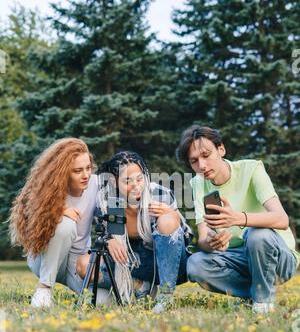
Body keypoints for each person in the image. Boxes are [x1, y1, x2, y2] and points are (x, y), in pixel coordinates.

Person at [176, 125, 300, 313]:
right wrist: (212, 242)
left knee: (257, 234)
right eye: (194, 161)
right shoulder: (198, 183)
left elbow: (282, 219)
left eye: (206, 155)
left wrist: (238, 219)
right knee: (195, 265)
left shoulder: (251, 169)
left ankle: (262, 302)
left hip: (278, 258)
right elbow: (202, 240)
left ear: (221, 150)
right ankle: (255, 292)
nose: (201, 165)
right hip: (239, 258)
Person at [76, 151, 192, 313]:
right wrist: (109, 240)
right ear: (114, 182)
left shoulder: (158, 194)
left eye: (140, 178)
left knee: (167, 219)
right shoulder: (107, 200)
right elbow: (106, 234)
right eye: (127, 181)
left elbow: (181, 237)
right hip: (131, 262)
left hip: (166, 265)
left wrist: (173, 216)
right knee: (83, 264)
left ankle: (166, 297)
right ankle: (140, 286)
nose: (136, 186)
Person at [9, 138, 98, 308]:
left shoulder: (96, 183)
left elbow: (132, 184)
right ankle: (44, 289)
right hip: (45, 258)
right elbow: (29, 211)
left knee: (101, 301)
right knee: (65, 224)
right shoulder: (48, 190)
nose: (86, 175)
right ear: (63, 172)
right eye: (78, 171)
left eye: (88, 168)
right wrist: (57, 210)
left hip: (76, 264)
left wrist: (163, 204)